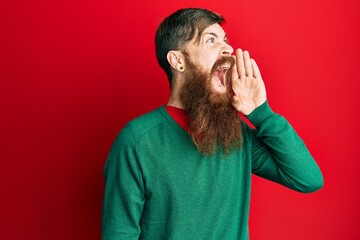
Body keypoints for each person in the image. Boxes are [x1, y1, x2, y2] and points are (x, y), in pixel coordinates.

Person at [102, 8, 324, 240]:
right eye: (211, 40)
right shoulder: (137, 141)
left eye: (226, 40)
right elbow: (119, 234)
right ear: (177, 60)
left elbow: (307, 179)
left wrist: (261, 112)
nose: (228, 49)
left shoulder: (236, 134)